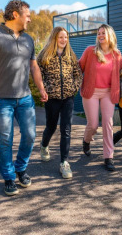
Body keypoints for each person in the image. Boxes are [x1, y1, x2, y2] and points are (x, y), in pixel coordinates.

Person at [0, 0, 48, 196]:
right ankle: (9, 177)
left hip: (25, 98)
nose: (30, 19)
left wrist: (41, 88)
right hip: (1, 100)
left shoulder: (28, 39)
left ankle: (20, 167)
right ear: (15, 14)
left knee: (30, 135)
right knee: (5, 139)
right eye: (27, 15)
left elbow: (34, 67)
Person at [37, 26, 82, 179]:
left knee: (66, 129)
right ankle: (44, 146)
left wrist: (74, 88)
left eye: (66, 37)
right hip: (52, 98)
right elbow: (38, 75)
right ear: (55, 38)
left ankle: (64, 162)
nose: (64, 40)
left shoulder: (71, 55)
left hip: (68, 98)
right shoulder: (44, 55)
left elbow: (78, 74)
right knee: (51, 126)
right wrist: (45, 89)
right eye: (61, 37)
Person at [79, 24, 122, 171]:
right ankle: (86, 140)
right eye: (98, 33)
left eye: (103, 33)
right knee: (93, 124)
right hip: (91, 91)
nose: (100, 35)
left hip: (108, 93)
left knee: (108, 124)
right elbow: (78, 68)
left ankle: (109, 156)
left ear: (110, 35)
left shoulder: (117, 55)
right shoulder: (90, 51)